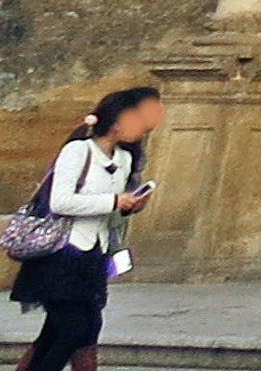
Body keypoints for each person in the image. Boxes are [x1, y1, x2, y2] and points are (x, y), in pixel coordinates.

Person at [11, 83, 160, 371]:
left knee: (64, 331)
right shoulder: (78, 151)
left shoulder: (124, 160)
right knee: (73, 330)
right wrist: (114, 200)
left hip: (93, 257)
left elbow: (112, 215)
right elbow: (61, 201)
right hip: (61, 255)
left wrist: (129, 207)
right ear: (117, 123)